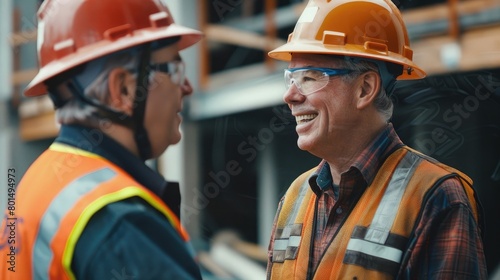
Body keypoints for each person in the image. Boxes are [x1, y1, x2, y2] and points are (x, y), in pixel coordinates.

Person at [266, 0, 487, 279]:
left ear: (365, 88)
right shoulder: (294, 197)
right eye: (291, 78)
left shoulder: (436, 197)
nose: (290, 96)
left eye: (309, 78)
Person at [0, 0, 204, 279]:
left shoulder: (36, 185)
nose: (188, 87)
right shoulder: (120, 221)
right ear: (123, 88)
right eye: (175, 70)